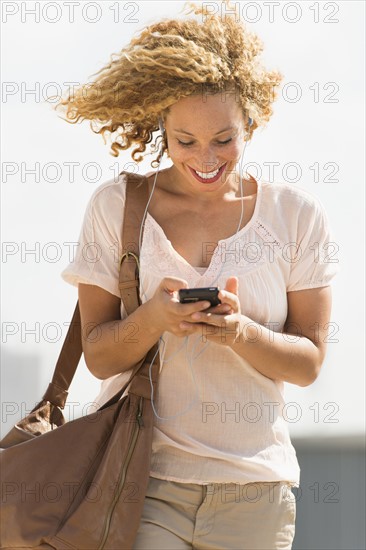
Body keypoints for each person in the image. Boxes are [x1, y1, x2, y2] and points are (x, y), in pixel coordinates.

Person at [58, 1, 339, 548]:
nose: (206, 159)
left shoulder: (296, 215)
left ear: (251, 122)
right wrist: (155, 318)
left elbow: (309, 363)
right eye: (186, 141)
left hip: (256, 489)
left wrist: (240, 333)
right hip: (143, 479)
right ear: (160, 126)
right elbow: (98, 354)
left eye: (225, 140)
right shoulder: (116, 207)